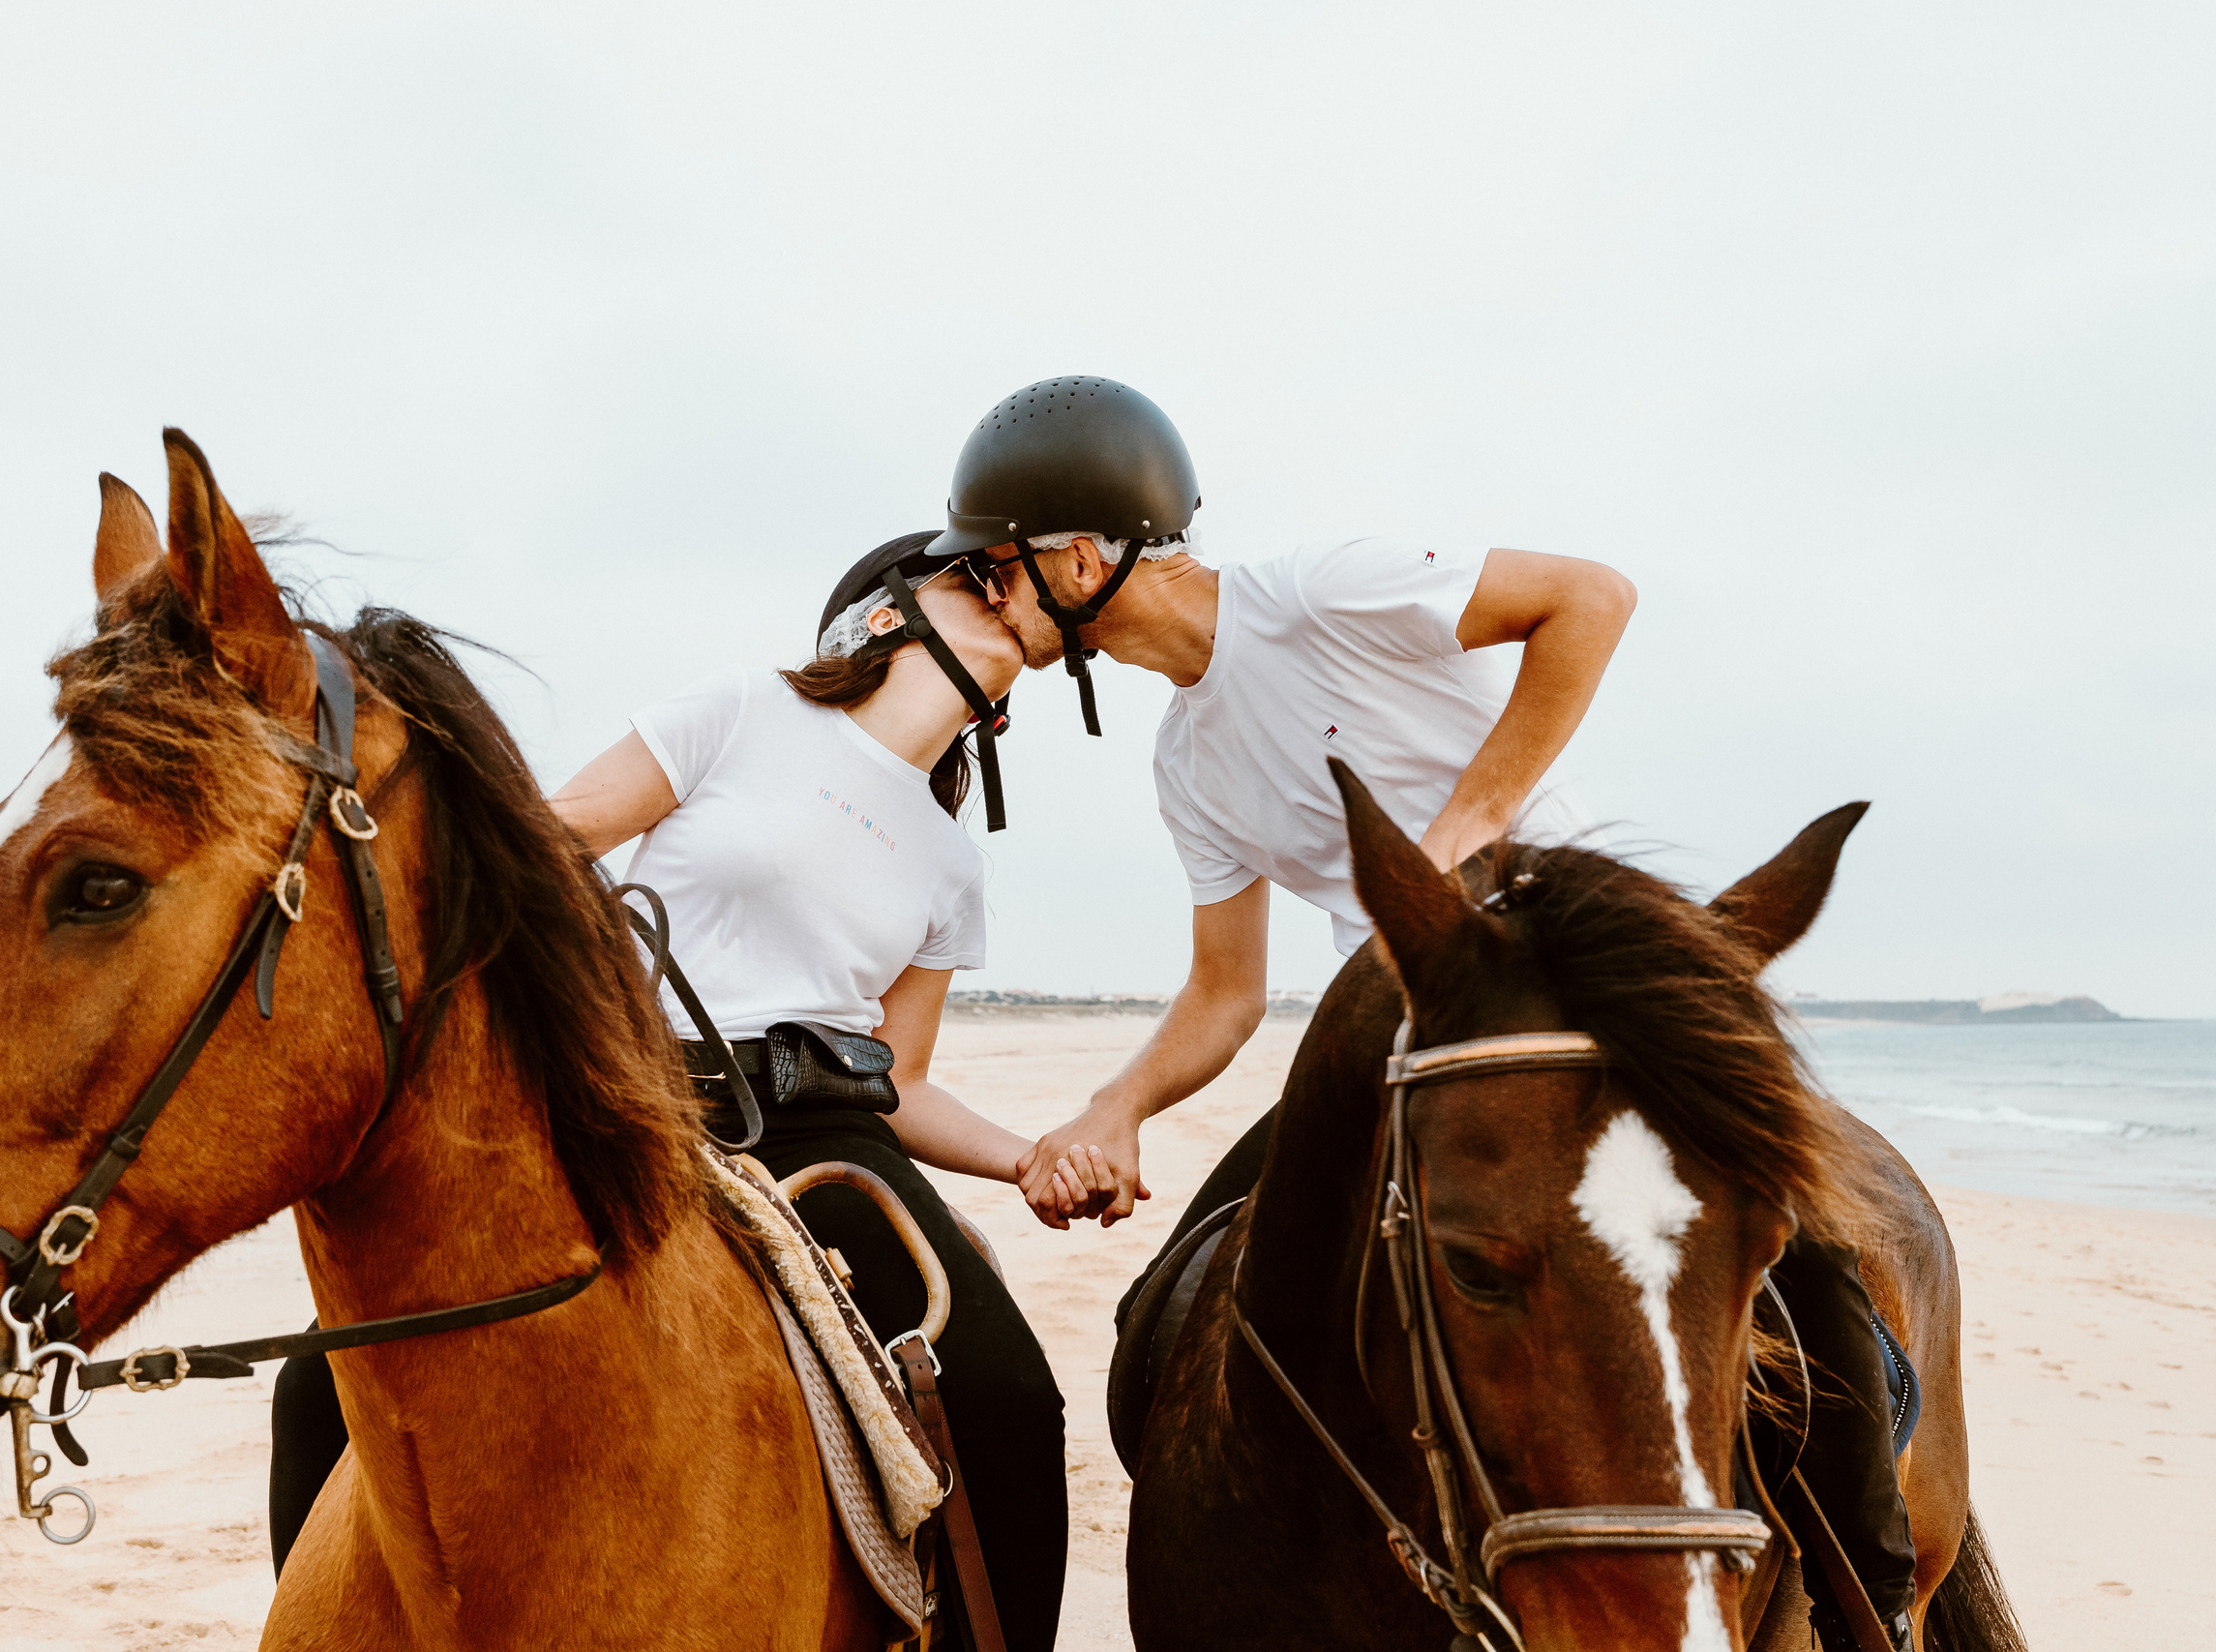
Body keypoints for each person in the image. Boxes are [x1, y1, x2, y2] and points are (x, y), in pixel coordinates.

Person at [918, 375, 1916, 1648]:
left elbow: (1590, 597)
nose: (989, 596)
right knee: (1174, 1296)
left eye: (996, 569)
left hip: (1581, 978)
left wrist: (1469, 823)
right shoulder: (1184, 759)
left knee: (1790, 1245)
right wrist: (1111, 1107)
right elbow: (1226, 993)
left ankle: (1871, 1581)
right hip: (1403, 1026)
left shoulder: (1322, 585)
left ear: (1074, 553)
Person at [547, 531, 1085, 1650]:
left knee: (1012, 1402)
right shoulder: (740, 710)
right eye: (971, 572)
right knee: (333, 1376)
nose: (999, 586)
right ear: (885, 613)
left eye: (1006, 572)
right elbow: (552, 846)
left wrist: (1026, 1155)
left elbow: (907, 1081)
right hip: (637, 1100)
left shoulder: (949, 861)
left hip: (827, 1132)